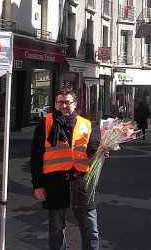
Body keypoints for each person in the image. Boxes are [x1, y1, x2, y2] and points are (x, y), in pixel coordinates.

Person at [30, 89, 101, 250]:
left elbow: (91, 151)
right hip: (55, 182)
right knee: (56, 228)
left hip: (81, 182)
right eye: (59, 102)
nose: (63, 105)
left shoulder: (86, 123)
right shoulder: (46, 123)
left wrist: (102, 151)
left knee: (91, 228)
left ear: (75, 104)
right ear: (55, 104)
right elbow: (35, 157)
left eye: (67, 102)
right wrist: (38, 185)